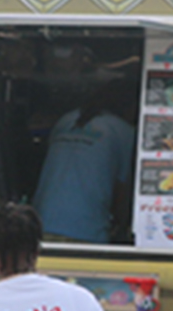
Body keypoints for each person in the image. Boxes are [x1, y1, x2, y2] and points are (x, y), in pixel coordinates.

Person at [31, 79, 135, 244]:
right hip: (86, 229)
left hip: (40, 223)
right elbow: (121, 193)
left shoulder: (66, 120)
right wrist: (122, 227)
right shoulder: (124, 131)